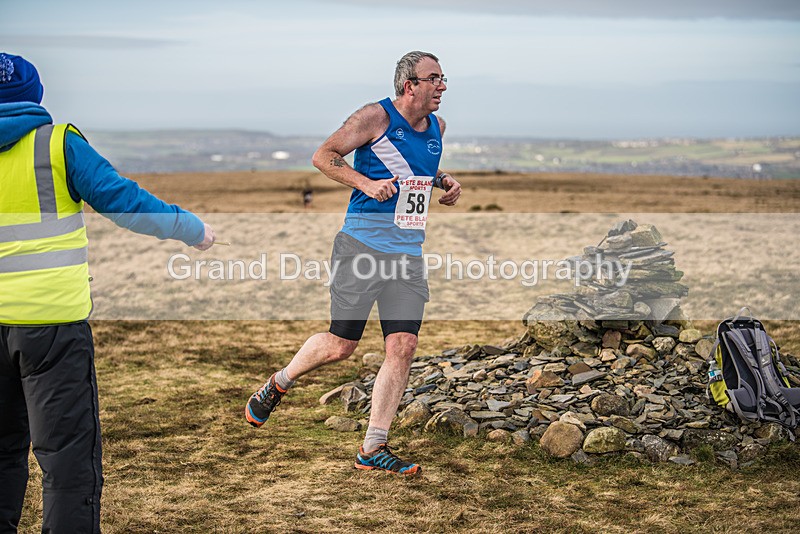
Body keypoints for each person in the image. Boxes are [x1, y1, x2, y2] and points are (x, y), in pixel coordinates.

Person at [0, 53, 216, 533]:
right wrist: (191, 228)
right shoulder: (56, 144)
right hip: (51, 327)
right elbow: (122, 200)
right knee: (67, 460)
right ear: (34, 94)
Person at [246, 51, 461, 475]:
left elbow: (417, 169)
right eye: (434, 78)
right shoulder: (374, 117)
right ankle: (279, 382)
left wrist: (443, 180)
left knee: (403, 345)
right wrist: (365, 183)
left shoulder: (438, 127)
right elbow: (324, 155)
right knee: (341, 345)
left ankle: (373, 447)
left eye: (443, 78)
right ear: (410, 85)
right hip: (361, 246)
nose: (442, 86)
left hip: (407, 253)